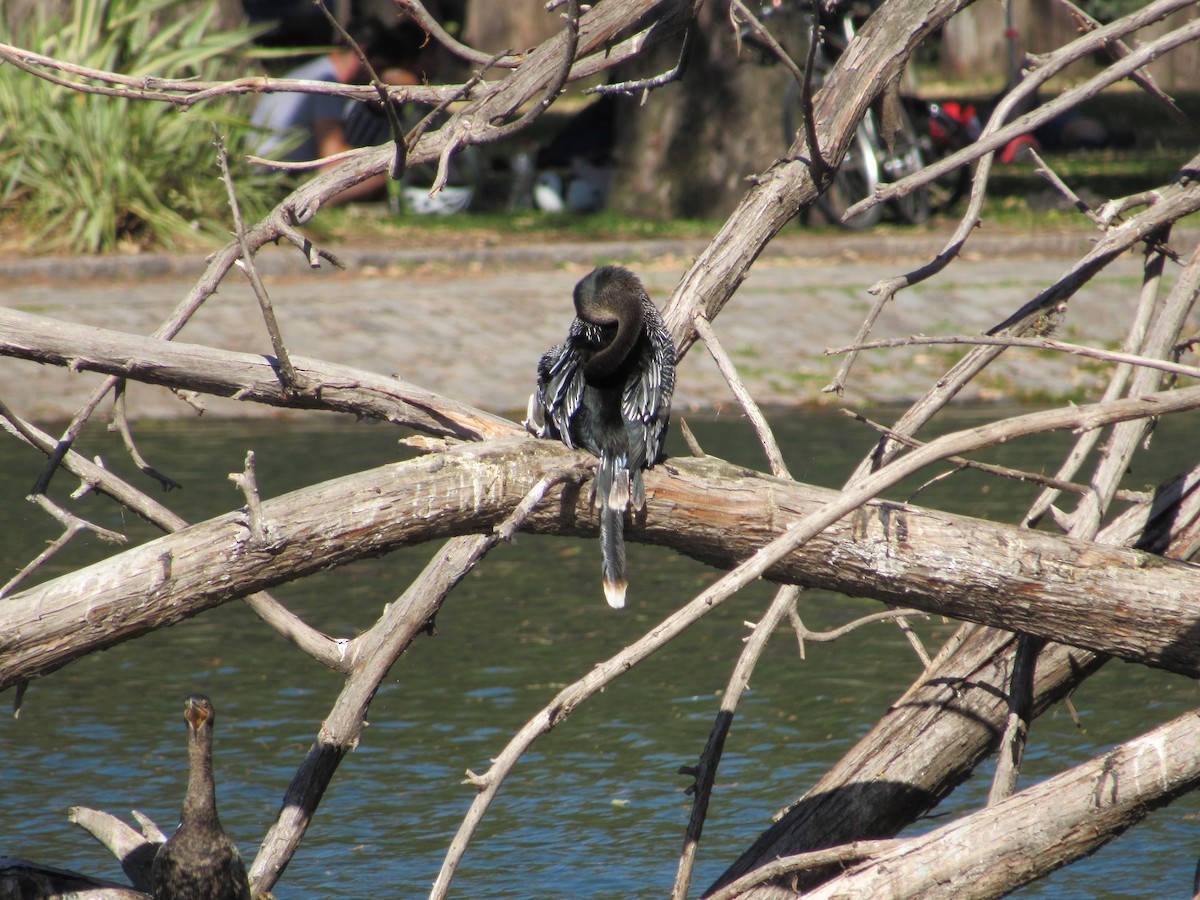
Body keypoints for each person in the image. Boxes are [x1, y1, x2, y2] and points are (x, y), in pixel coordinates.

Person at [250, 18, 431, 204]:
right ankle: (313, 205)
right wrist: (382, 156)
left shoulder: (318, 70)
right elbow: (332, 154)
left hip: (262, 168)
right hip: (277, 176)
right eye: (378, 68)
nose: (377, 79)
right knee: (380, 173)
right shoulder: (329, 84)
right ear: (362, 55)